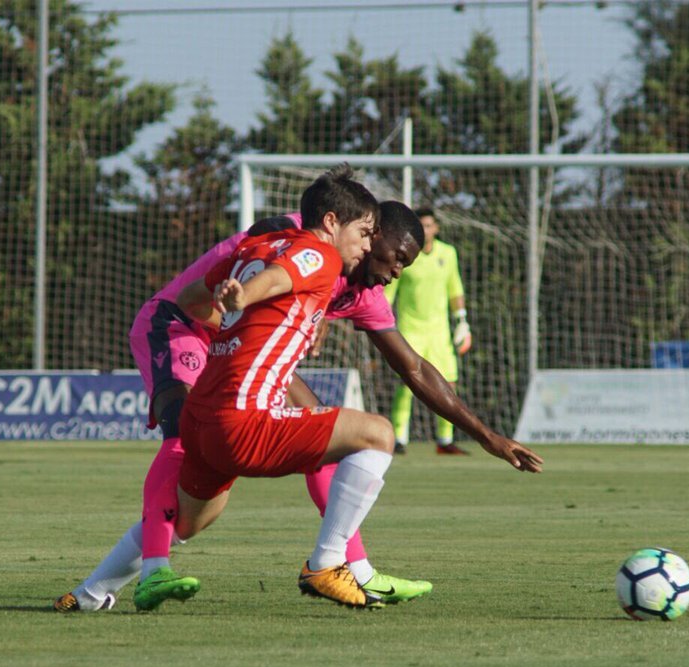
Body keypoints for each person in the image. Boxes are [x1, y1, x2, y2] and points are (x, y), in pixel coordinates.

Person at [56, 200, 545, 612]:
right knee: (184, 433)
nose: (397, 271)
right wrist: (257, 298)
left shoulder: (364, 290)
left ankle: (93, 592)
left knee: (201, 513)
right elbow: (264, 259)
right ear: (367, 233)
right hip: (184, 323)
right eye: (396, 256)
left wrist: (486, 436)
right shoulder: (308, 240)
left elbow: (414, 369)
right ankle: (161, 568)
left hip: (248, 351)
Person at [384, 206, 473, 456]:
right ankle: (399, 438)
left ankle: (445, 440)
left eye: (429, 225)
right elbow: (388, 293)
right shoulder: (405, 254)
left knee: (448, 384)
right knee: (407, 383)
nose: (426, 229)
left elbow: (455, 289)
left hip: (440, 333)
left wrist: (462, 321)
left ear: (436, 228)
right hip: (410, 330)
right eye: (421, 225)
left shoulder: (448, 253)